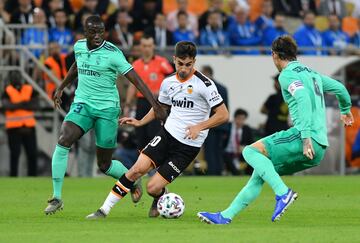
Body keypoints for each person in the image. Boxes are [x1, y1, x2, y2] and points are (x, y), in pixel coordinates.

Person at [198, 35, 354, 224]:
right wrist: (345, 110)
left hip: (304, 139)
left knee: (249, 151)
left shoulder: (287, 74)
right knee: (260, 172)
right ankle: (225, 216)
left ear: (274, 55)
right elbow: (339, 88)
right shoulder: (312, 74)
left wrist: (305, 138)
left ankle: (283, 193)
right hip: (320, 146)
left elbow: (303, 98)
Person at [86, 41, 229, 219]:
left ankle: (159, 195)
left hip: (187, 147)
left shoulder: (205, 85)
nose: (184, 69)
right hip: (167, 135)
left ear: (194, 61)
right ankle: (103, 210)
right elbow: (159, 107)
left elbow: (223, 115)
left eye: (188, 64)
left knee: (152, 188)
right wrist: (140, 122)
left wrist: (199, 126)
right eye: (180, 64)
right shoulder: (168, 82)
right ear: (174, 59)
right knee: (135, 170)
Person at [44, 15, 167, 215]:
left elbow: (136, 79)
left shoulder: (113, 53)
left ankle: (132, 179)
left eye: (100, 31)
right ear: (85, 32)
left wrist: (156, 106)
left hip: (107, 109)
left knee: (104, 164)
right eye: (93, 32)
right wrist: (61, 87)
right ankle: (57, 197)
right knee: (64, 138)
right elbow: (77, 66)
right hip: (82, 104)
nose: (97, 36)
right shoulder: (79, 46)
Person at [124, 35, 173, 154]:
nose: (147, 49)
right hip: (141, 103)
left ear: (153, 47)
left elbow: (172, 78)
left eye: (149, 46)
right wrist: (128, 104)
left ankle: (155, 166)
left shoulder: (161, 62)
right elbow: (132, 86)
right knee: (140, 135)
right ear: (141, 47)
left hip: (157, 103)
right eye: (144, 46)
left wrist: (163, 93)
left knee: (154, 134)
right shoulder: (136, 64)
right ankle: (142, 166)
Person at [1, 71, 38, 177]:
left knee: (32, 154)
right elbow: (7, 106)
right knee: (14, 155)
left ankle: (33, 178)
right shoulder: (7, 90)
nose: (16, 78)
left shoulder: (29, 89)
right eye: (14, 77)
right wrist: (25, 103)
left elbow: (36, 105)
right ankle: (13, 177)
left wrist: (16, 105)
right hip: (14, 128)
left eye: (17, 76)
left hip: (29, 127)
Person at [201, 65, 229, 175]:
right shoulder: (223, 88)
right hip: (222, 124)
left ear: (207, 73)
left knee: (210, 150)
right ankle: (219, 170)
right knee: (218, 149)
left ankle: (212, 171)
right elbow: (227, 108)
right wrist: (226, 127)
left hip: (211, 123)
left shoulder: (206, 88)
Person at [223, 108, 253, 175]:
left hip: (241, 153)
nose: (240, 121)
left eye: (243, 119)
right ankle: (237, 174)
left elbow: (252, 144)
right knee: (225, 155)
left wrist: (245, 147)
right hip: (228, 153)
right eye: (239, 118)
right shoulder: (227, 127)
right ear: (235, 118)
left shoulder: (247, 129)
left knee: (252, 157)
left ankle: (249, 175)